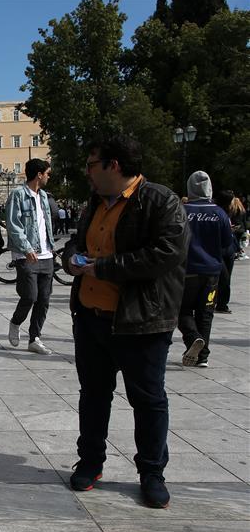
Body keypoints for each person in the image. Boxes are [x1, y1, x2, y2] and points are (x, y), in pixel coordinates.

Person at [66, 135, 188, 509]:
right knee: (94, 393)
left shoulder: (159, 201)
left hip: (141, 322)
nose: (87, 172)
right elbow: (77, 242)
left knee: (148, 400)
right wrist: (72, 257)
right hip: (91, 318)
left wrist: (102, 268)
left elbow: (164, 254)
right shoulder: (94, 203)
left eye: (92, 164)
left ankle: (151, 472)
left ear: (113, 165)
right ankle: (90, 461)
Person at [178, 171, 234, 367]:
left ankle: (193, 338)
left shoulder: (182, 211)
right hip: (211, 272)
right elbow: (228, 244)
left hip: (186, 271)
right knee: (206, 313)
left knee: (181, 309)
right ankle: (203, 357)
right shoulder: (220, 213)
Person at [4, 159, 55, 355]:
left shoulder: (43, 196)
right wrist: (26, 248)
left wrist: (50, 247)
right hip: (26, 255)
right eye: (47, 173)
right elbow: (13, 224)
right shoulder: (18, 194)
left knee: (44, 299)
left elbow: (46, 224)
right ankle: (16, 322)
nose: (49, 177)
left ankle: (35, 338)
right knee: (30, 296)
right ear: (39, 174)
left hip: (46, 254)